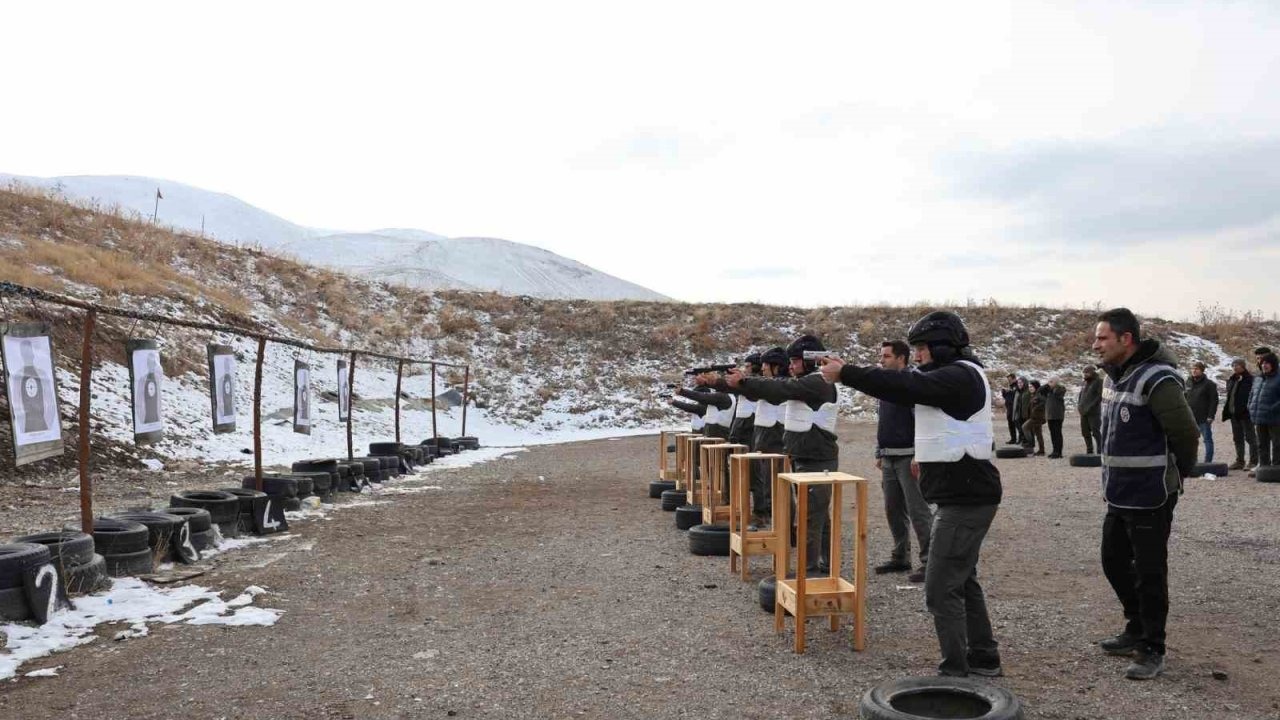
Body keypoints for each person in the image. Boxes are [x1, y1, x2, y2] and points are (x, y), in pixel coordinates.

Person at [819, 311, 1003, 678]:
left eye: (922, 349)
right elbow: (912, 390)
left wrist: (848, 373)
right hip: (962, 494)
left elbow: (906, 386)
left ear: (942, 347)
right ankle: (983, 657)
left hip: (966, 499)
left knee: (939, 587)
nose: (917, 356)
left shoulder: (960, 375)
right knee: (962, 578)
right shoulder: (957, 374)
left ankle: (956, 672)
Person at [1092, 308, 1197, 681]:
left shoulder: (1157, 378)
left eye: (1103, 338)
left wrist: (1175, 476)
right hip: (1119, 493)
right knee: (1113, 560)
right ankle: (1135, 626)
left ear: (1126, 339)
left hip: (1152, 495)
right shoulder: (1113, 377)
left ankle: (1153, 647)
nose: (1096, 344)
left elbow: (1186, 434)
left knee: (1150, 573)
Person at [727, 334, 838, 573]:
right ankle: (824, 565)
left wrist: (745, 382)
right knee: (818, 516)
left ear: (810, 361)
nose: (791, 366)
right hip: (805, 456)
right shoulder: (811, 381)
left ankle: (809, 571)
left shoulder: (819, 382)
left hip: (817, 459)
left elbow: (782, 387)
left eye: (796, 361)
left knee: (812, 516)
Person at [871, 340, 932, 584]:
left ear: (901, 358)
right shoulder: (886, 385)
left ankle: (930, 562)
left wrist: (920, 453)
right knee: (892, 509)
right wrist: (879, 451)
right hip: (889, 456)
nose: (881, 360)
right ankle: (900, 556)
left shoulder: (912, 384)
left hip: (909, 457)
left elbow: (923, 420)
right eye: (881, 356)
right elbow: (882, 420)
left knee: (918, 511)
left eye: (886, 356)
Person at [1248, 352, 1280, 473]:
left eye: (1267, 363)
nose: (1264, 365)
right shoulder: (1258, 378)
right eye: (1262, 363)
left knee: (1277, 445)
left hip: (1275, 418)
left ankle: (1277, 469)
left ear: (1273, 364)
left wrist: (1273, 408)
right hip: (1260, 418)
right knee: (1262, 444)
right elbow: (1252, 394)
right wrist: (1250, 406)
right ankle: (1263, 468)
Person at [1223, 359, 1257, 471]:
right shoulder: (1232, 379)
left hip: (1246, 414)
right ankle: (1240, 461)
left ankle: (1253, 461)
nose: (1235, 367)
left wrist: (1249, 409)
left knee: (1251, 438)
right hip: (1234, 414)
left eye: (1237, 365)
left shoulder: (1250, 380)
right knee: (1237, 438)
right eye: (1233, 365)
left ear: (1243, 366)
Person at [1184, 361, 1219, 464]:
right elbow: (1183, 398)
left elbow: (1214, 401)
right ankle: (1191, 461)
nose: (1194, 370)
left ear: (1202, 371)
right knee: (1190, 441)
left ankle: (1208, 462)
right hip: (1190, 417)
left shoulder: (1209, 384)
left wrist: (1211, 416)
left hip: (1204, 417)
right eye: (1193, 368)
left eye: (1197, 369)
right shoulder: (1188, 383)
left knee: (1207, 440)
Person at [1077, 365, 1103, 454]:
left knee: (1096, 432)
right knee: (1085, 432)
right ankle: (1089, 450)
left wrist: (1091, 406)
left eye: (1087, 373)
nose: (1085, 374)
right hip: (1083, 412)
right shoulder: (1084, 383)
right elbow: (1081, 395)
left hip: (1094, 412)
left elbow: (1100, 396)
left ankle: (1100, 450)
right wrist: (1079, 406)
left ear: (1092, 372)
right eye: (1084, 373)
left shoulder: (1098, 381)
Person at [1022, 380, 1047, 456]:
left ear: (1036, 387)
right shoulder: (1033, 395)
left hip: (1037, 417)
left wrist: (1036, 408)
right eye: (1029, 387)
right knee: (1038, 434)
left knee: (1024, 427)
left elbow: (1044, 402)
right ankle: (1041, 450)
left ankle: (1030, 443)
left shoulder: (1039, 395)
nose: (1030, 388)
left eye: (1032, 387)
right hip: (1035, 417)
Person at [1045, 378, 1067, 458]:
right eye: (1048, 382)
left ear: (1056, 383)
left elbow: (1057, 392)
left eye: (1051, 382)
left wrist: (1053, 387)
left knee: (1057, 434)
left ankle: (1059, 452)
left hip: (1057, 415)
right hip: (1050, 415)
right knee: (1052, 434)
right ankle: (1054, 450)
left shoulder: (1060, 389)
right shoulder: (1048, 390)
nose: (1049, 383)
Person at [1000, 374, 1019, 445]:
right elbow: (1007, 397)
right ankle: (1013, 439)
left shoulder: (1017, 385)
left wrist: (1009, 391)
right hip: (1009, 408)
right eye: (1008, 379)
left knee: (1017, 423)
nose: (1009, 381)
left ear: (1014, 379)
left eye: (1010, 379)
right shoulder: (1010, 386)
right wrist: (1004, 393)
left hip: (1015, 408)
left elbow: (1015, 395)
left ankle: (1020, 439)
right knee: (1010, 424)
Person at [1014, 376, 1031, 446]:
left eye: (1021, 383)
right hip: (1019, 412)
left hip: (1026, 413)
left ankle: (1026, 441)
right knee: (1019, 427)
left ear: (1025, 383)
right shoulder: (1019, 391)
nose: (1019, 384)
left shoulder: (1028, 391)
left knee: (1025, 428)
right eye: (1018, 383)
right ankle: (1021, 439)